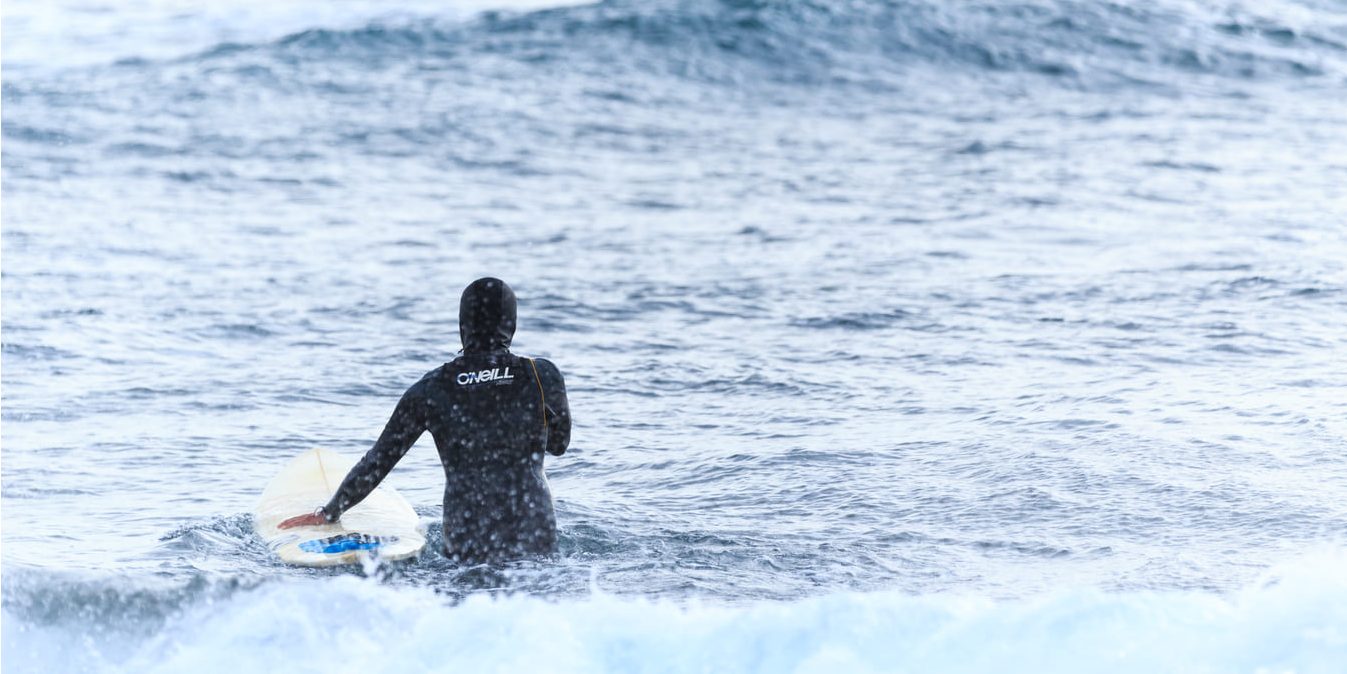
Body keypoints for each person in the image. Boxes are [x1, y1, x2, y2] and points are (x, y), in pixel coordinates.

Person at [279, 277, 571, 564]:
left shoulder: (432, 388)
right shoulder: (540, 375)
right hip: (535, 534)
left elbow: (378, 461)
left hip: (468, 539)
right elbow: (558, 445)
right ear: (512, 324)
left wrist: (329, 512)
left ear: (462, 326)